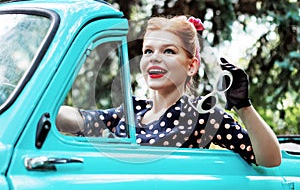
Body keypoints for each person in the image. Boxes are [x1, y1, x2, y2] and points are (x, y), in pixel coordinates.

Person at [56, 15, 281, 167]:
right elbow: (77, 119)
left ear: (191, 65)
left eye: (169, 51)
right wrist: (33, 103)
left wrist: (244, 106)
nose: (154, 57)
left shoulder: (201, 115)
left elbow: (269, 159)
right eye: (148, 51)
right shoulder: (130, 111)